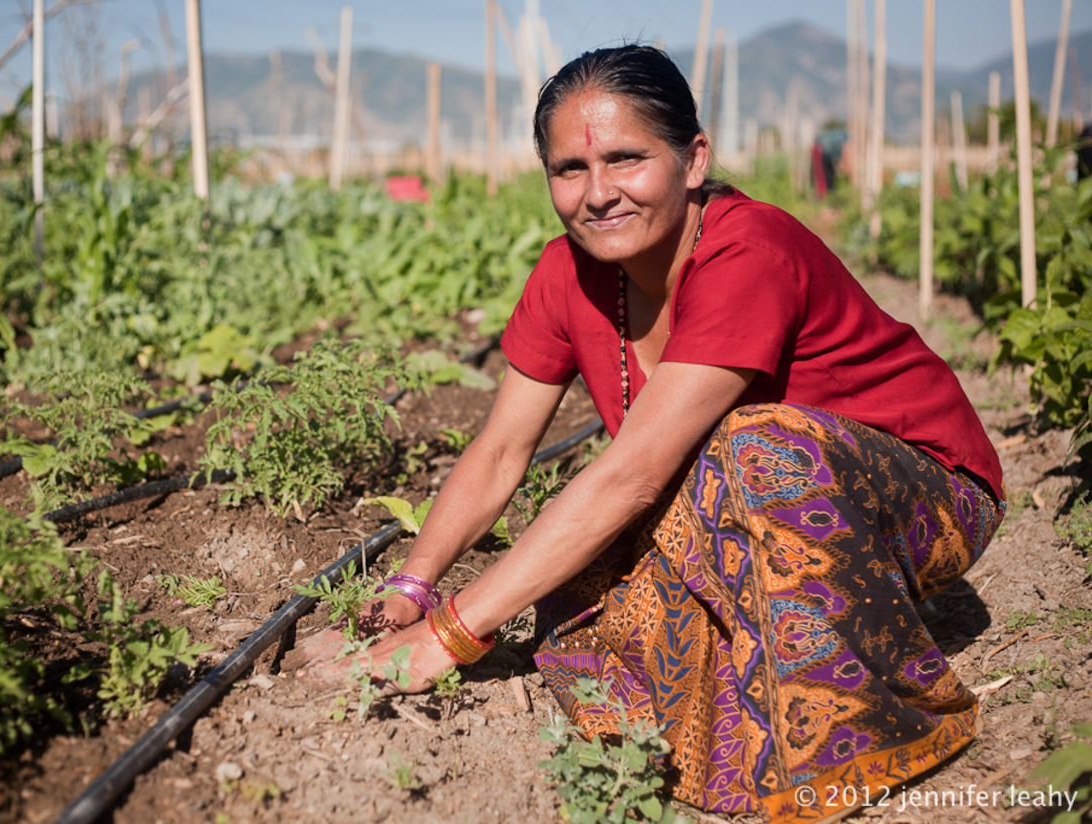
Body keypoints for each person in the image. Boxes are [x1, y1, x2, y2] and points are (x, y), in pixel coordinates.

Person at [296, 45, 1004, 824]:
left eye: (626, 159)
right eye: (569, 169)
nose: (597, 194)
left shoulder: (748, 251)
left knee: (744, 448)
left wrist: (450, 637)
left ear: (693, 159)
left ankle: (856, 737)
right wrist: (415, 586)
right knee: (585, 584)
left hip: (919, 496)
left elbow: (633, 474)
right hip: (737, 493)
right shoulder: (566, 274)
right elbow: (501, 451)